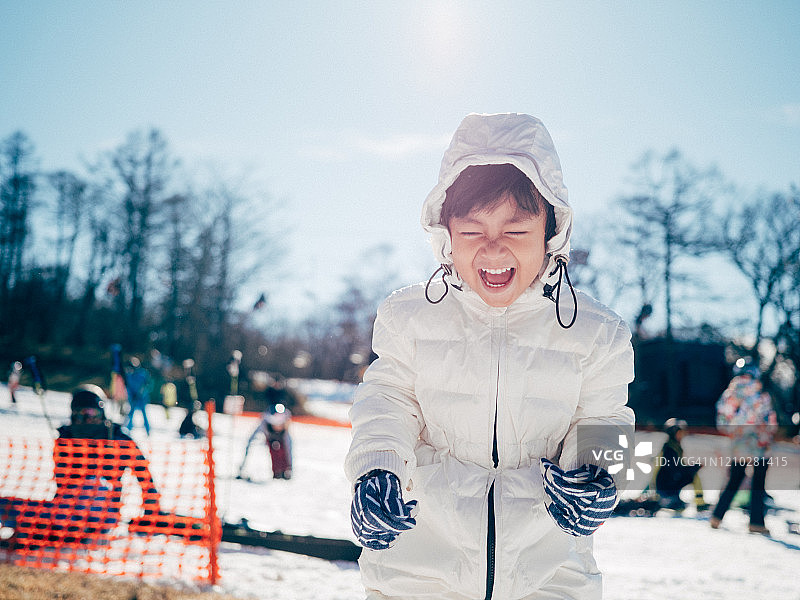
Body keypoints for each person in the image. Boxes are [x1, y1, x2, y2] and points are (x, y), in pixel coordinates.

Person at [344, 113, 635, 599]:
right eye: (473, 231)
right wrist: (376, 469)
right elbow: (387, 400)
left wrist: (597, 476)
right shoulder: (409, 316)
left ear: (550, 232)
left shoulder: (597, 332)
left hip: (547, 575)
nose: (494, 248)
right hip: (419, 571)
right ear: (446, 235)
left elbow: (608, 418)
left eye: (517, 230)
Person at [0, 385, 163, 549]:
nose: (85, 420)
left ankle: (49, 532)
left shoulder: (118, 438)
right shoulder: (66, 438)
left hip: (101, 512)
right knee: (7, 505)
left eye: (91, 414)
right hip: (66, 508)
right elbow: (63, 480)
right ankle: (40, 531)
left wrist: (151, 512)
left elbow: (144, 477)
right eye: (79, 415)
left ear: (101, 413)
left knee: (94, 485)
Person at [710, 361, 777, 535]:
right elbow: (769, 419)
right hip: (758, 443)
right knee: (758, 482)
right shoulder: (760, 392)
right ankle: (756, 522)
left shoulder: (729, 394)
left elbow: (722, 421)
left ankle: (717, 515)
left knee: (735, 477)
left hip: (739, 443)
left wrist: (736, 431)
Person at [648, 418, 709, 511]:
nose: (683, 435)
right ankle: (700, 503)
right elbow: (676, 471)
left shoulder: (673, 447)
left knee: (692, 474)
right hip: (666, 488)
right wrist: (695, 467)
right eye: (680, 432)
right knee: (694, 476)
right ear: (674, 433)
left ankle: (698, 502)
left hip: (668, 485)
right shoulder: (669, 450)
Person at [238, 391, 294, 480]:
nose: (277, 427)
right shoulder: (264, 424)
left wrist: (290, 469)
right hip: (270, 437)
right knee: (274, 452)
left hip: (281, 439)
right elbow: (251, 441)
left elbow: (289, 449)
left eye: (279, 425)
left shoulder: (285, 428)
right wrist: (242, 469)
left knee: (283, 451)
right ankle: (276, 473)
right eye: (275, 424)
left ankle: (284, 471)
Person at [124, 357, 152, 435]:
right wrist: (131, 396)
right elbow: (128, 386)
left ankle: (148, 430)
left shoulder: (142, 374)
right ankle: (128, 429)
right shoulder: (129, 375)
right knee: (131, 413)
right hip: (133, 398)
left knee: (144, 414)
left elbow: (147, 386)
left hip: (141, 398)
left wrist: (141, 394)